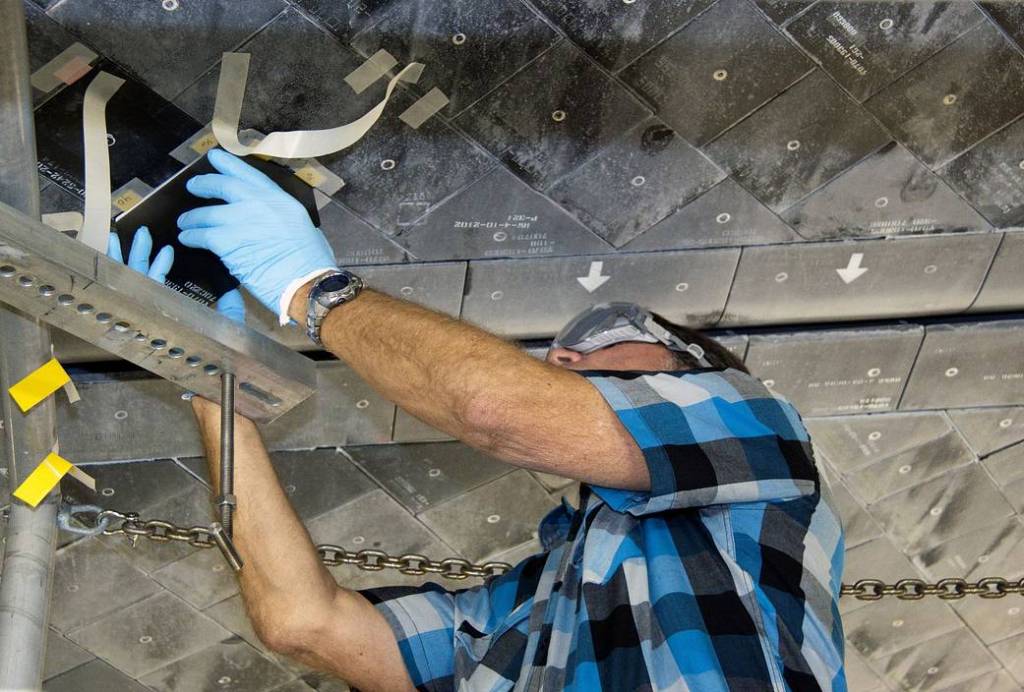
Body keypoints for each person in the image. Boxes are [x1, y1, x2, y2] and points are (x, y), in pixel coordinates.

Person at [112, 148, 846, 691]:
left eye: (601, 338)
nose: (564, 358)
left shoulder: (760, 435)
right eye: (557, 352)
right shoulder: (534, 608)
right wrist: (216, 385)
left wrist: (313, 290)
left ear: (690, 365)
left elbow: (497, 408)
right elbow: (310, 622)